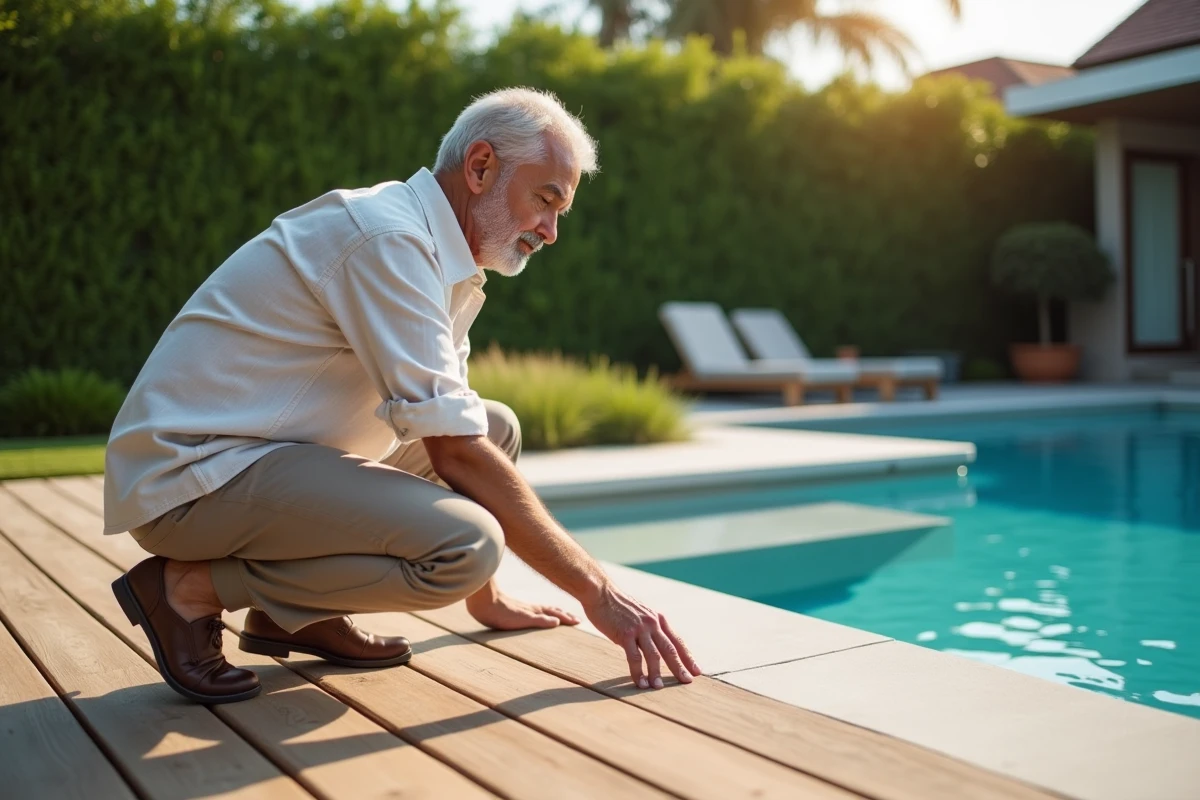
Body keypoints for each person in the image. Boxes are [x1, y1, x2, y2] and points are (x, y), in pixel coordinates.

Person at [104, 87, 700, 704]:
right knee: (465, 546)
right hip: (192, 479)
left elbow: (461, 426)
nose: (550, 232)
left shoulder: (442, 258)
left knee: (496, 427)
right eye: (545, 201)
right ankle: (187, 591)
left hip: (265, 456)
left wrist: (489, 603)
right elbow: (453, 456)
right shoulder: (388, 240)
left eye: (560, 213)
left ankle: (293, 614)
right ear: (480, 167)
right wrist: (599, 594)